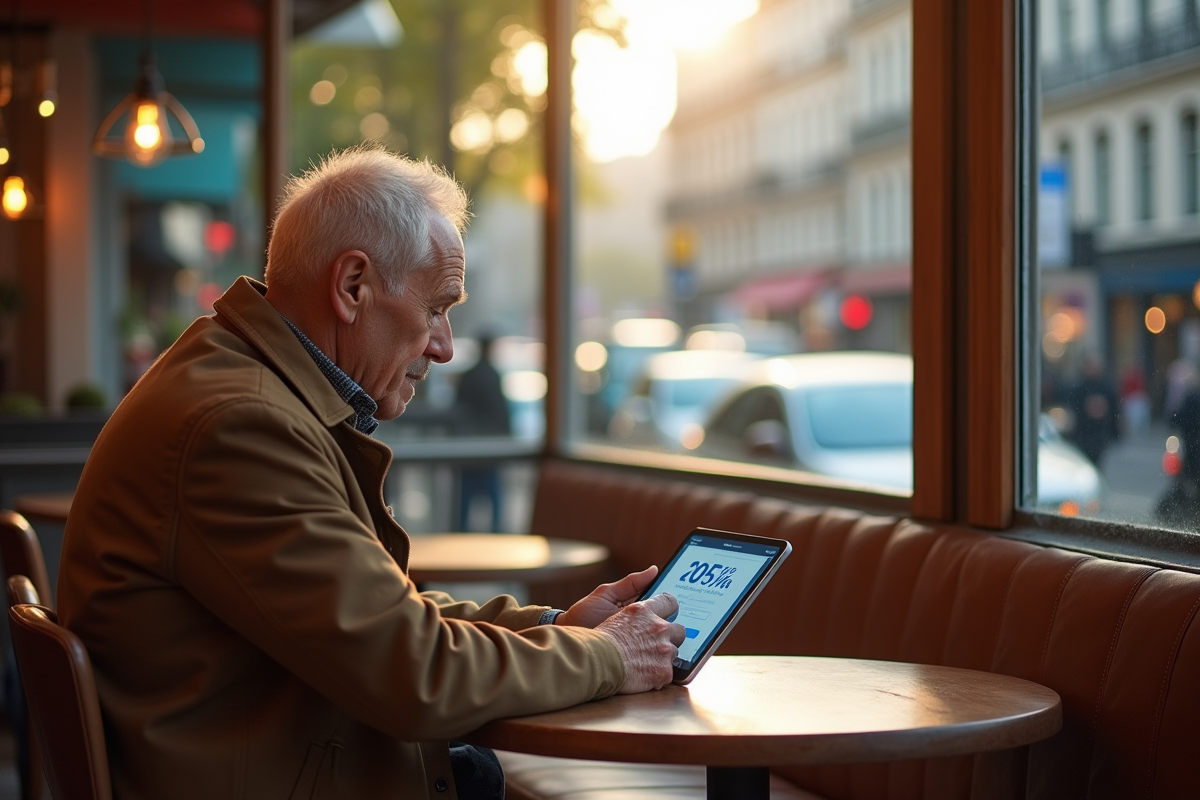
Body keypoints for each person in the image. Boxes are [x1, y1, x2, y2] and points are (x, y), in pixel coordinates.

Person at [57, 146, 686, 800]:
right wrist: (610, 657)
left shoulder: (245, 392)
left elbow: (388, 623)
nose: (444, 345)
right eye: (438, 308)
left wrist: (560, 629)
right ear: (353, 286)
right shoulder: (242, 427)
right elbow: (414, 673)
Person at [454, 333, 510, 531]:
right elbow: (501, 413)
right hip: (489, 447)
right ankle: (496, 535)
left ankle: (460, 535)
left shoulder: (468, 376)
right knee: (493, 499)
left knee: (465, 499)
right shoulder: (493, 375)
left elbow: (458, 411)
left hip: (468, 447)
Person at [1065, 352, 1120, 467]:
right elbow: (1074, 409)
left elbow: (1114, 409)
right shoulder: (1079, 387)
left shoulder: (1106, 386)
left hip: (1099, 434)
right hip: (1083, 434)